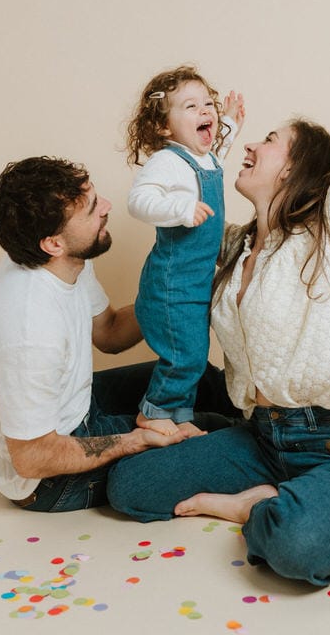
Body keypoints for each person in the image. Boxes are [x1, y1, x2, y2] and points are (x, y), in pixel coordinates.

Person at [107, 27, 330, 586]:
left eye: (267, 140)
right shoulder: (234, 246)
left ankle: (255, 506)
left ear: (292, 169)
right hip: (260, 438)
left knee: (300, 543)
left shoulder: (328, 237)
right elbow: (175, 281)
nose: (249, 145)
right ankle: (249, 467)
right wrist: (109, 326)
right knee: (131, 487)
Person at [0, 156, 237, 513]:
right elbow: (31, 457)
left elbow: (109, 333)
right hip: (47, 476)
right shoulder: (29, 328)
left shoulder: (65, 260)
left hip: (73, 406)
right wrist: (132, 441)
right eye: (91, 209)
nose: (106, 207)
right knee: (204, 429)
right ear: (53, 243)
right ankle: (273, 454)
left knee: (202, 382)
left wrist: (173, 292)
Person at [126, 66, 245, 436]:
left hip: (195, 283)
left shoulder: (203, 155)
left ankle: (180, 416)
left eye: (207, 104)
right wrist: (179, 210)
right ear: (164, 128)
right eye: (191, 107)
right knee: (185, 355)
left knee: (194, 351)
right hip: (171, 284)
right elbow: (138, 201)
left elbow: (216, 150)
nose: (205, 111)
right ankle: (155, 412)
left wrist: (228, 120)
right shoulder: (168, 161)